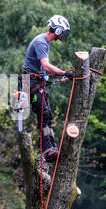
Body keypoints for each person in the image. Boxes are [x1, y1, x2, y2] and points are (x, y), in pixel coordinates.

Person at [21, 15, 75, 163]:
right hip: (29, 82)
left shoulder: (45, 42)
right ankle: (46, 150)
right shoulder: (41, 42)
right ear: (58, 30)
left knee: (47, 115)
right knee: (43, 115)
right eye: (62, 31)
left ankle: (51, 147)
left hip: (35, 80)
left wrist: (61, 76)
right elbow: (45, 66)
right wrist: (64, 72)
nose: (63, 35)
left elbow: (42, 69)